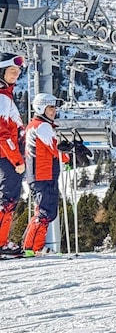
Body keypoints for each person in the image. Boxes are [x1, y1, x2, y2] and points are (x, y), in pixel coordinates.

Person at [22, 93, 71, 253]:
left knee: (43, 210)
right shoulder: (42, 126)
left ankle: (35, 246)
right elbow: (54, 148)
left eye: (54, 107)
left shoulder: (35, 125)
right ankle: (30, 247)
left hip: (39, 174)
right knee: (46, 212)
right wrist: (67, 156)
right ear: (41, 108)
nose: (54, 111)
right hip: (43, 174)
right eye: (50, 107)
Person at [0, 53, 26, 256]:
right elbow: (3, 132)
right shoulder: (2, 96)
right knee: (8, 199)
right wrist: (17, 159)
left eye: (17, 72)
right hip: (6, 157)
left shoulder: (6, 95)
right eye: (11, 71)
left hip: (7, 155)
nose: (15, 75)